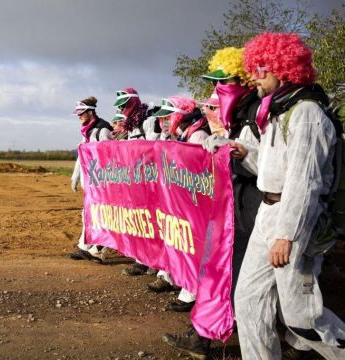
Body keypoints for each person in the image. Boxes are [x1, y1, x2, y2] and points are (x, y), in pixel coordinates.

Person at [231, 32, 345, 360]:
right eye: (253, 67)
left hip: (294, 221)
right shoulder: (279, 111)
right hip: (269, 214)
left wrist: (287, 235)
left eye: (261, 67)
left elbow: (304, 182)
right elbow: (269, 172)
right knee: (249, 301)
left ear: (284, 67)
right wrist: (243, 154)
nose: (254, 75)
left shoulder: (307, 113)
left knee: (300, 317)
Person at [162, 46, 263, 360]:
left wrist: (235, 152)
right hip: (237, 206)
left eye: (225, 82)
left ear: (242, 81)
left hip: (252, 209)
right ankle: (202, 336)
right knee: (226, 274)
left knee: (229, 274)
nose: (218, 91)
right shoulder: (243, 116)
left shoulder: (256, 116)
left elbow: (269, 168)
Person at [148, 96, 210, 313]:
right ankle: (179, 282)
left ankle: (191, 292)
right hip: (181, 200)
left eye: (168, 115)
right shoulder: (185, 134)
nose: (164, 120)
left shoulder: (198, 135)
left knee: (191, 244)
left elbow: (197, 172)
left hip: (193, 203)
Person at [114, 87, 161, 276]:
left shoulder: (149, 121)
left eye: (125, 104)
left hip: (150, 180)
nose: (123, 108)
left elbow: (154, 149)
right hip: (135, 180)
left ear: (133, 102)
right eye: (121, 106)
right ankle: (142, 258)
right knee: (139, 220)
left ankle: (154, 261)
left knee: (153, 221)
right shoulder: (130, 124)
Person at [69, 96, 113, 262]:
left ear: (90, 112)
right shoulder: (87, 131)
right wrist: (76, 176)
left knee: (104, 215)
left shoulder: (103, 130)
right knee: (87, 213)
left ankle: (99, 249)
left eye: (81, 113)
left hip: (103, 182)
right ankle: (86, 245)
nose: (79, 116)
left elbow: (111, 157)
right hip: (90, 182)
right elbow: (82, 156)